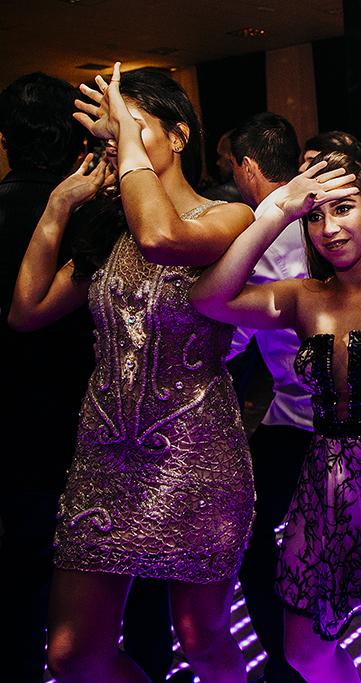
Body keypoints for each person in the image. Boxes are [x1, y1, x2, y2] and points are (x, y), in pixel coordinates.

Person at [9, 64, 255, 683]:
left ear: (179, 135)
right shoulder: (108, 234)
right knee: (72, 656)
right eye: (114, 132)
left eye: (134, 128)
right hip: (104, 459)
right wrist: (58, 205)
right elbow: (26, 311)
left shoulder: (228, 219)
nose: (119, 141)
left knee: (202, 641)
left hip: (193, 457)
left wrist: (121, 140)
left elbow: (161, 235)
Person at [190, 153, 361, 683]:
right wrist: (275, 214)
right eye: (315, 216)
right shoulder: (302, 298)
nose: (328, 228)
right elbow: (209, 297)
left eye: (344, 209)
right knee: (305, 652)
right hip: (327, 482)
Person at [0, 71, 90, 683]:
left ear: (6, 140)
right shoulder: (100, 220)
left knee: (20, 577)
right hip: (84, 419)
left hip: (12, 424)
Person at [227, 111, 312, 683]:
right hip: (298, 412)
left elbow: (230, 329)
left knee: (250, 532)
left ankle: (288, 662)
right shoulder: (316, 208)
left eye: (233, 166)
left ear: (249, 165)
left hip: (311, 417)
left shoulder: (256, 224)